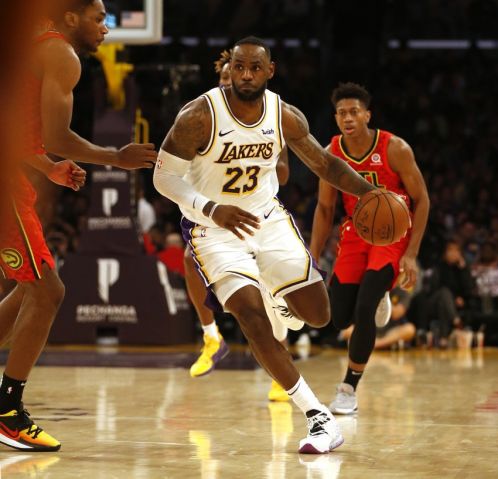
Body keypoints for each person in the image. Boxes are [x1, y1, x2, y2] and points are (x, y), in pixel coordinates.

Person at [153, 37, 379, 454]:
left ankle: (279, 300)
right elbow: (163, 178)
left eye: (254, 68)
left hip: (267, 219)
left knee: (317, 315)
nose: (245, 75)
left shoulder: (283, 114)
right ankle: (318, 418)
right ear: (231, 69)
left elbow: (325, 164)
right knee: (250, 317)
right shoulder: (199, 115)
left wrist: (370, 193)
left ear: (269, 71)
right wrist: (211, 208)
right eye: (239, 67)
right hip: (214, 230)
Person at [0, 0, 156, 452]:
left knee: (33, 288)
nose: (106, 27)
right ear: (71, 18)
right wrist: (115, 157)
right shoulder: (59, 54)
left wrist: (46, 168)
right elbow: (56, 136)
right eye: (99, 17)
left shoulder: (30, 47)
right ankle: (8, 411)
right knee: (48, 291)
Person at [309, 82, 429, 414]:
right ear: (335, 118)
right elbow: (323, 208)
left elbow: (422, 200)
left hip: (392, 232)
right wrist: (313, 255)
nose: (348, 118)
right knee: (337, 318)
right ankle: (377, 300)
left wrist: (412, 254)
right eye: (342, 113)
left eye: (354, 112)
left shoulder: (395, 148)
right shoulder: (330, 152)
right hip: (355, 231)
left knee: (363, 311)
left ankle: (348, 388)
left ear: (367, 115)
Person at [184, 49, 291, 403]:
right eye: (224, 81)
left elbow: (284, 173)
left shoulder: (271, 118)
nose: (230, 87)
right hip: (207, 211)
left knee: (268, 287)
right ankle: (211, 336)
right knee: (189, 259)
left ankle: (281, 364)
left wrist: (253, 161)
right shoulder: (201, 114)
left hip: (253, 211)